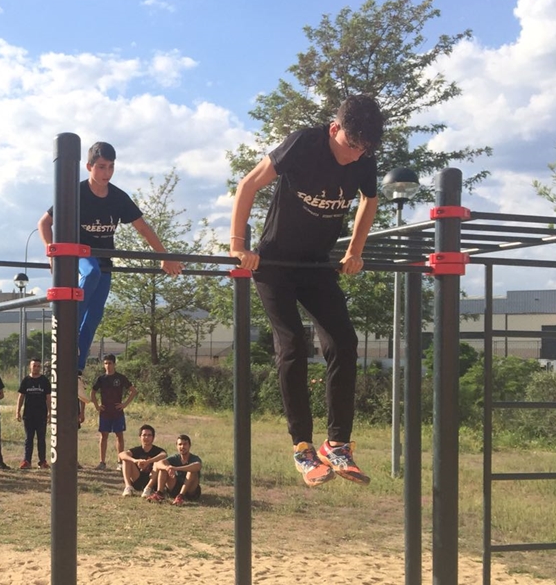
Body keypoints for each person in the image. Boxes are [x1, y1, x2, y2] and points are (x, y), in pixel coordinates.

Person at [230, 94, 384, 488]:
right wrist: (238, 245)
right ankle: (302, 447)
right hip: (274, 265)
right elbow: (248, 183)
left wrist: (355, 251)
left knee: (344, 342)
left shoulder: (363, 157)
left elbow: (371, 199)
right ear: (334, 129)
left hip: (316, 266)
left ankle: (337, 444)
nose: (355, 156)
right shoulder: (303, 143)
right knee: (294, 343)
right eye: (351, 146)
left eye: (363, 149)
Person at [37, 141, 184, 383]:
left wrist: (164, 256)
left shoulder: (118, 197)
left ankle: (76, 369)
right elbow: (44, 223)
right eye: (102, 167)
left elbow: (143, 228)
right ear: (89, 167)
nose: (107, 173)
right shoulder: (76, 192)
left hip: (105, 259)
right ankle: (67, 333)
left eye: (111, 167)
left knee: (95, 314)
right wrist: (51, 251)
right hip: (79, 255)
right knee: (91, 273)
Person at [90, 354, 137, 471]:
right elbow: (92, 392)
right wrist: (97, 406)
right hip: (105, 412)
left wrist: (124, 404)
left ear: (114, 364)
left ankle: (120, 462)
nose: (108, 366)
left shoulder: (120, 378)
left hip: (117, 412)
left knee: (119, 436)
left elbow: (133, 391)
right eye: (105, 363)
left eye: (110, 363)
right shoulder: (101, 379)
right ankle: (102, 462)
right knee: (103, 436)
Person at [15, 358, 51, 470]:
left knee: (41, 438)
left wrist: (50, 412)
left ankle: (42, 461)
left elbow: (48, 398)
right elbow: (21, 396)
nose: (36, 368)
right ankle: (27, 461)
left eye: (38, 366)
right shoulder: (26, 380)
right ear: (30, 366)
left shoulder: (44, 380)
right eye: (34, 365)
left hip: (41, 414)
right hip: (29, 415)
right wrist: (18, 411)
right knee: (28, 438)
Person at [147, 434, 202, 506]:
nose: (182, 447)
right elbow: (158, 463)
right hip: (175, 486)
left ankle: (181, 496)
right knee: (163, 469)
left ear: (189, 446)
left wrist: (176, 468)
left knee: (192, 472)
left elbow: (197, 466)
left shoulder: (194, 458)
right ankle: (159, 493)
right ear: (177, 446)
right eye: (180, 444)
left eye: (185, 444)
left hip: (190, 490)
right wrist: (167, 468)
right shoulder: (175, 457)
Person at [120, 424, 166, 498]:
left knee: (159, 463)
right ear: (140, 437)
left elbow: (164, 455)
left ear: (153, 437)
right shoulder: (137, 450)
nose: (146, 437)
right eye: (144, 435)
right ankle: (128, 487)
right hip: (137, 478)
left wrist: (148, 461)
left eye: (149, 435)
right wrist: (135, 460)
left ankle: (148, 488)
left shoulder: (158, 450)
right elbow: (121, 454)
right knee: (126, 460)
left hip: (152, 480)